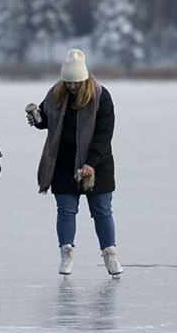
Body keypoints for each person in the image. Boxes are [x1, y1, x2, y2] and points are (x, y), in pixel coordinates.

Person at [27, 49, 123, 278]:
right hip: (62, 161)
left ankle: (110, 255)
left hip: (97, 162)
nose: (72, 86)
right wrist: (35, 116)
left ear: (84, 78)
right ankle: (66, 254)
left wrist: (91, 162)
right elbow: (46, 122)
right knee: (66, 210)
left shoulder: (100, 95)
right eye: (68, 81)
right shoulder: (56, 93)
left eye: (76, 82)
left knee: (102, 210)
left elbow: (104, 133)